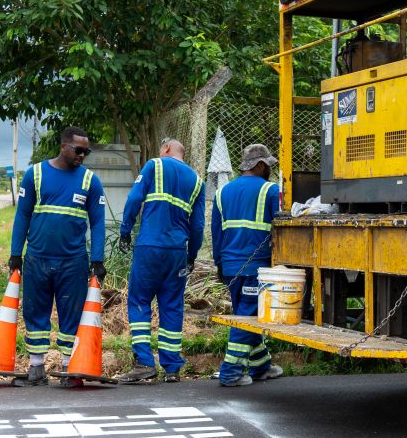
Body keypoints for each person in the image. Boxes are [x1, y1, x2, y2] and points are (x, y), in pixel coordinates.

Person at [8, 126, 107, 387]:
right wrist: (15, 254)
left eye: (87, 151)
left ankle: (68, 368)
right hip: (37, 259)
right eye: (79, 150)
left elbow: (98, 223)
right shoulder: (36, 174)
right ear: (63, 146)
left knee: (71, 315)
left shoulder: (90, 181)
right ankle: (36, 367)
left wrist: (98, 260)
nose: (83, 155)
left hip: (73, 262)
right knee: (35, 312)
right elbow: (22, 216)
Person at [118, 138, 205, 383]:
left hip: (149, 247)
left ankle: (144, 362)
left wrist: (125, 230)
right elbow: (197, 226)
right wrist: (191, 256)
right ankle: (172, 367)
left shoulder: (154, 165)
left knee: (139, 301)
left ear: (166, 149)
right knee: (172, 306)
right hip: (177, 251)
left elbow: (135, 199)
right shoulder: (197, 182)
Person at [214, 143, 284, 388]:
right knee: (247, 318)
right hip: (256, 267)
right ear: (261, 165)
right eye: (269, 166)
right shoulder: (271, 190)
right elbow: (281, 230)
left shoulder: (222, 192)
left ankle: (261, 366)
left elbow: (216, 233)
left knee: (248, 315)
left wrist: (219, 265)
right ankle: (231, 372)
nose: (270, 170)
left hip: (230, 267)